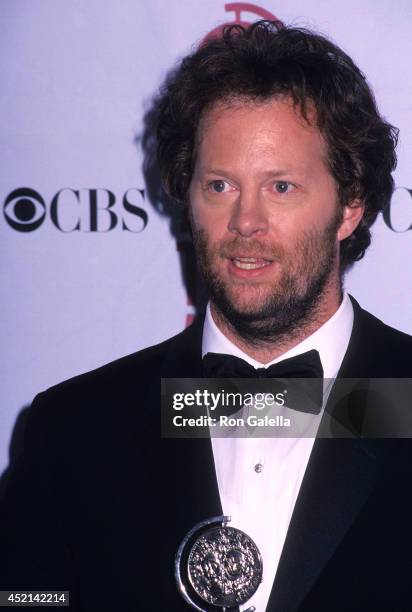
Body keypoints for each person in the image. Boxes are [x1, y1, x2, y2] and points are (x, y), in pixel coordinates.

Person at [1, 20, 411, 612]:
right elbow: (26, 600)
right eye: (220, 185)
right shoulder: (75, 429)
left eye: (282, 188)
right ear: (186, 195)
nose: (245, 221)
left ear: (349, 206)